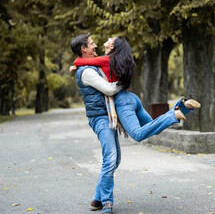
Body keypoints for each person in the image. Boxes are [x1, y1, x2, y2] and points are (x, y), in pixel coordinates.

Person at [71, 34, 200, 214]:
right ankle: (99, 199)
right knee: (115, 159)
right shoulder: (89, 69)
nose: (97, 45)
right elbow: (103, 82)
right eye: (92, 44)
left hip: (116, 107)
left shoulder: (95, 64)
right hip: (113, 110)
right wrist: (76, 65)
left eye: (98, 43)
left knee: (129, 142)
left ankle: (105, 202)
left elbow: (107, 86)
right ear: (84, 49)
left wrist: (77, 64)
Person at [72, 36, 201, 142]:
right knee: (153, 127)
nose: (106, 40)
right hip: (132, 98)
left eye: (110, 39)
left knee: (137, 134)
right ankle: (181, 107)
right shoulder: (120, 60)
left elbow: (81, 61)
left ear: (112, 47)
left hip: (121, 102)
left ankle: (173, 114)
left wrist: (75, 66)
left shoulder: (106, 59)